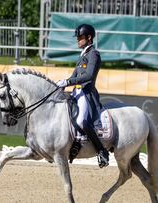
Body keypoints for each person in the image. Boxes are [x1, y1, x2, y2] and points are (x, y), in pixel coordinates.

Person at [56, 24, 109, 168]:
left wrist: (68, 81)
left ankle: (101, 151)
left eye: (80, 37)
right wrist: (63, 86)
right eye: (78, 37)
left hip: (87, 93)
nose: (78, 40)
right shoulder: (82, 56)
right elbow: (74, 75)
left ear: (89, 37)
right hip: (76, 92)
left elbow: (89, 76)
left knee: (81, 121)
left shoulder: (94, 54)